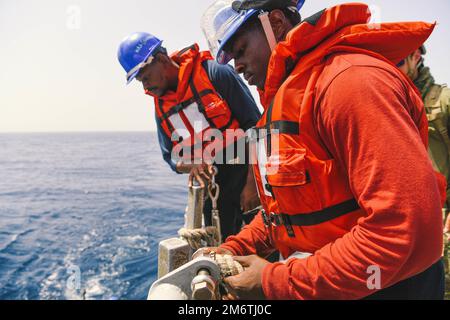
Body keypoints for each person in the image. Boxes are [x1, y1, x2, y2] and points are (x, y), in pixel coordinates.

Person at [197, 0, 446, 299]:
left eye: (240, 51)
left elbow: (403, 229)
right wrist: (234, 248)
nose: (236, 67)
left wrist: (274, 282)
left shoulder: (351, 82)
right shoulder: (289, 100)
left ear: (275, 24)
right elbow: (287, 214)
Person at [117, 33, 261, 239]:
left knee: (263, 246)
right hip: (214, 192)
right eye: (141, 82)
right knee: (223, 249)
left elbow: (257, 127)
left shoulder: (216, 74)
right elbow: (170, 157)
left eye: (145, 78)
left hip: (249, 177)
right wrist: (192, 165)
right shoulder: (161, 106)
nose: (145, 87)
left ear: (161, 60)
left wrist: (253, 185)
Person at [398, 45, 450, 292]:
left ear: (415, 56)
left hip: (443, 224)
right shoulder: (390, 101)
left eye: (398, 59)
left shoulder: (443, 102)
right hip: (407, 232)